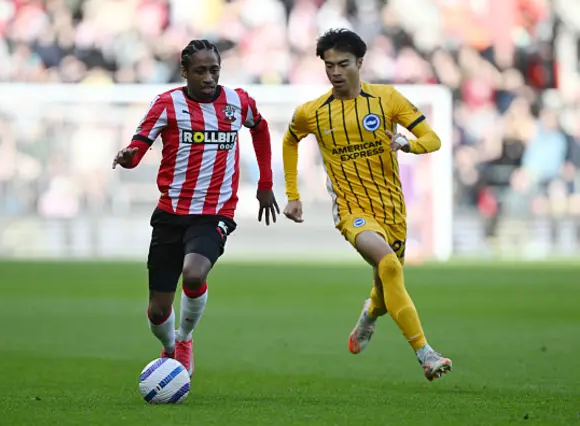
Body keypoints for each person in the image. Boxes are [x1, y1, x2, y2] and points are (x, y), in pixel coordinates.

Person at [281, 29, 452, 381]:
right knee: (389, 265)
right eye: (329, 66)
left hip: (392, 209)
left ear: (360, 63)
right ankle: (426, 353)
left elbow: (432, 139)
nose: (336, 72)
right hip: (352, 210)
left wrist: (408, 145)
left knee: (385, 284)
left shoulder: (387, 99)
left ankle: (369, 315)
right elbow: (290, 141)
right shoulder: (312, 112)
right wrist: (293, 195)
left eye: (343, 64)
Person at [113, 39, 279, 377]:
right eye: (200, 71)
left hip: (215, 212)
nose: (208, 78)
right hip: (171, 213)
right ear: (185, 72)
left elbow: (260, 130)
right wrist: (129, 157)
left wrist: (265, 185)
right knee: (158, 311)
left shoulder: (237, 102)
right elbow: (138, 147)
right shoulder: (167, 104)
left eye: (214, 70)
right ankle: (170, 345)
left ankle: (185, 339)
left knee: (194, 272)